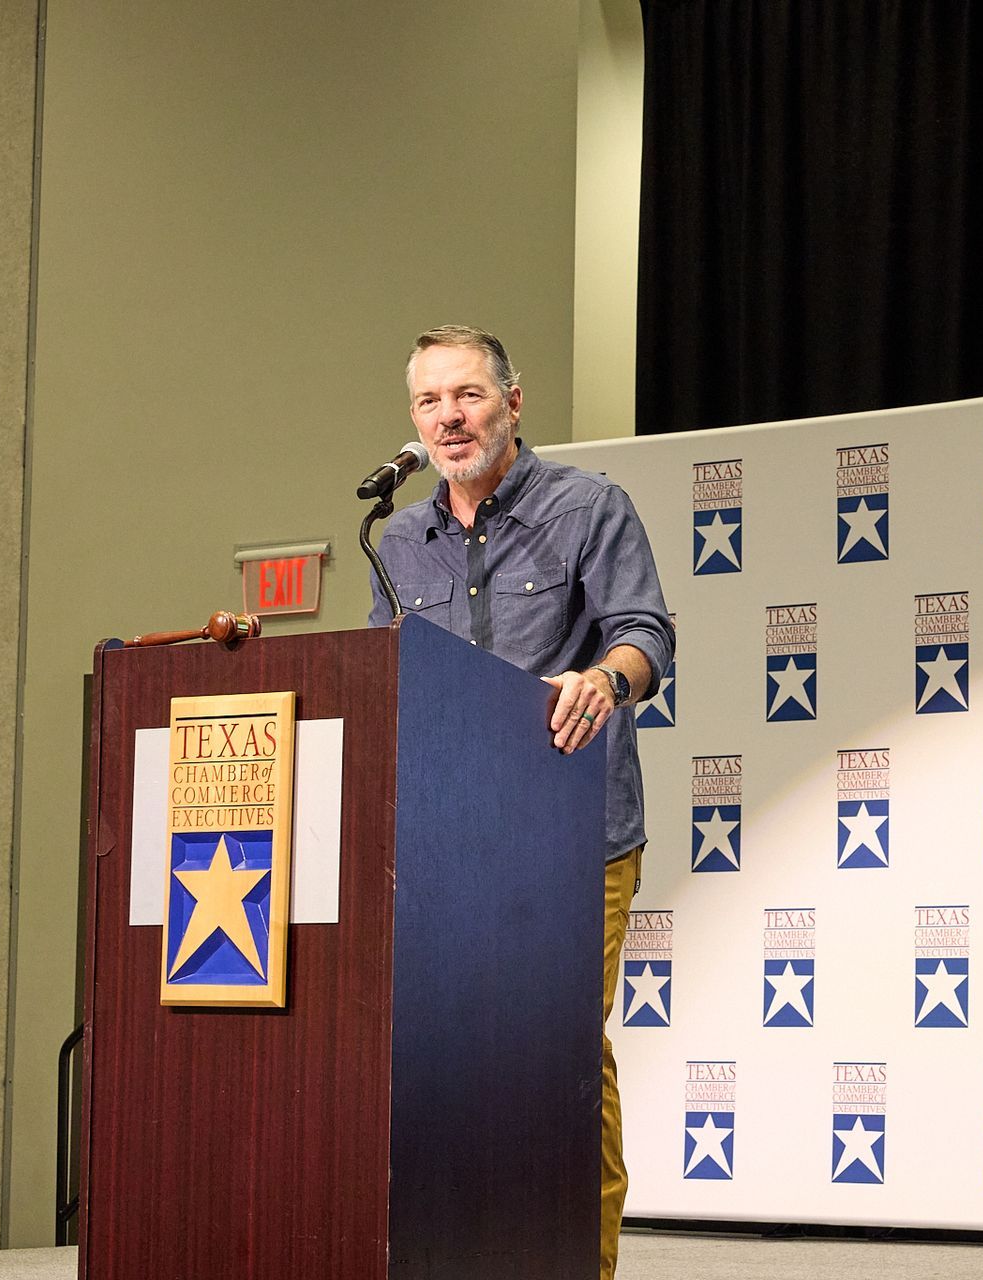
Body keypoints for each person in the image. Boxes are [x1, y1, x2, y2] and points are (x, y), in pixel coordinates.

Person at [369, 325, 674, 1280]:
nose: (449, 418)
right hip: (445, 842)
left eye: (467, 395)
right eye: (430, 402)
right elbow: (383, 678)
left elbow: (645, 635)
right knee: (459, 1058)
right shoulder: (399, 541)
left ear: (512, 401)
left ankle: (584, 1267)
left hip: (575, 833)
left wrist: (604, 680)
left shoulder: (588, 507)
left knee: (563, 1051)